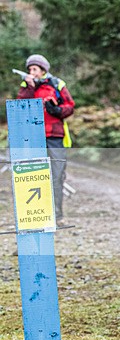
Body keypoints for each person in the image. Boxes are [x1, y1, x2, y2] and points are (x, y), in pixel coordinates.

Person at [17, 54, 75, 221]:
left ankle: (57, 214)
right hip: (34, 136)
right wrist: (29, 87)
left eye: (35, 69)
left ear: (43, 70)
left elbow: (70, 106)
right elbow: (20, 105)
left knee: (57, 175)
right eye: (29, 69)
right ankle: (38, 214)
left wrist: (57, 111)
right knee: (35, 174)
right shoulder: (27, 85)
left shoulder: (57, 84)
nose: (31, 72)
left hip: (55, 136)